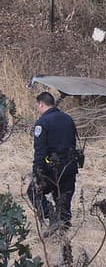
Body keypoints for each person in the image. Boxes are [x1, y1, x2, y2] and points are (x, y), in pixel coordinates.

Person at [26, 91, 79, 235]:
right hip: (70, 166)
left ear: (41, 104)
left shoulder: (42, 123)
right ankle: (64, 230)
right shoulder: (68, 119)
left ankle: (51, 217)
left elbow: (40, 151)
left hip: (52, 168)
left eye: (38, 106)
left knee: (32, 191)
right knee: (63, 196)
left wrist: (37, 172)